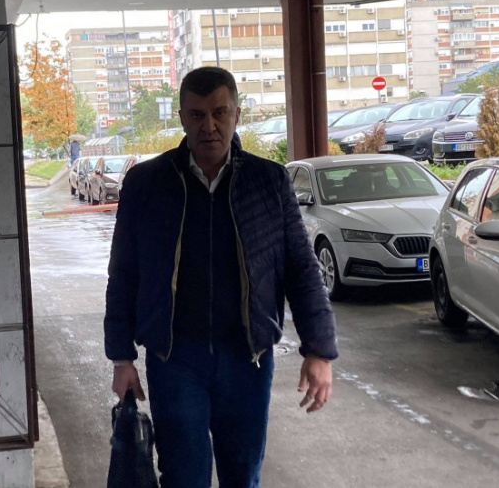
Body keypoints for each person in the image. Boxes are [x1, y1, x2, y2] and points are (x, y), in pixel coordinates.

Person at [104, 66, 337, 488]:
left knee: (242, 476)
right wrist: (122, 358)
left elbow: (302, 270)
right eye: (197, 115)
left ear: (236, 115)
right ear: (181, 118)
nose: (208, 126)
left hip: (247, 360)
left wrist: (319, 350)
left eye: (219, 113)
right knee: (184, 477)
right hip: (175, 361)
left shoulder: (269, 182)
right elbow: (123, 274)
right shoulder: (147, 184)